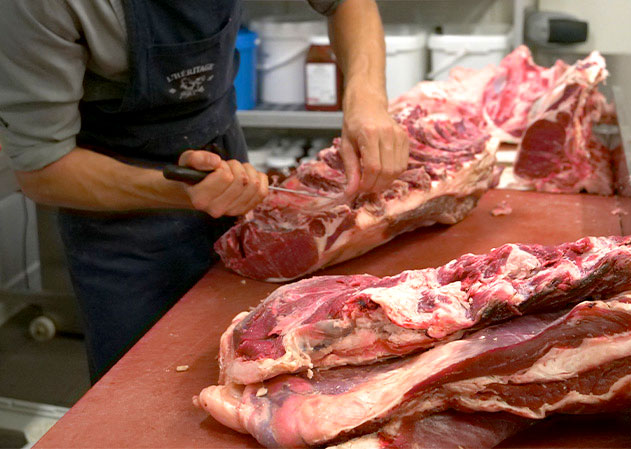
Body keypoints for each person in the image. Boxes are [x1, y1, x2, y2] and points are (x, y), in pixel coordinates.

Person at [0, 0, 409, 382]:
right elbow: (43, 170)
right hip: (119, 219)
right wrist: (181, 194)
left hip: (223, 152)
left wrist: (366, 100)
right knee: (145, 394)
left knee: (271, 360)